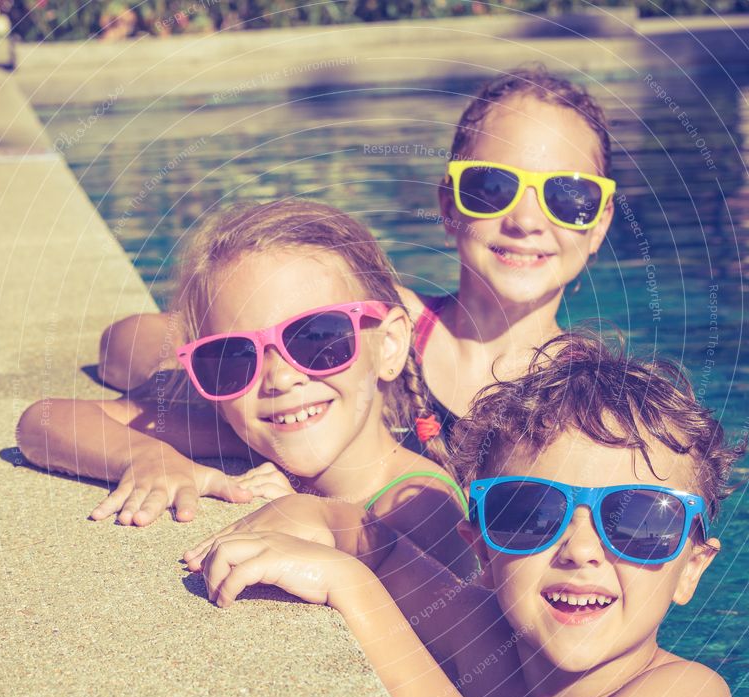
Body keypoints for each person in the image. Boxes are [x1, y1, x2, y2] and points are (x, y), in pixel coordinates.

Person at [192, 331, 741, 697]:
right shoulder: (482, 635)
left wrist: (350, 586)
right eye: (528, 511)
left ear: (691, 568)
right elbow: (379, 548)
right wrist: (308, 512)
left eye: (638, 520)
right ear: (480, 547)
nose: (581, 549)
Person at [97, 66, 616, 446]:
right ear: (448, 206)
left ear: (600, 225)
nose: (526, 221)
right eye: (491, 187)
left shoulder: (597, 403)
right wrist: (183, 369)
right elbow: (121, 346)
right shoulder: (373, 331)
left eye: (570, 197)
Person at [17, 200, 472, 572]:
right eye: (232, 357)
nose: (279, 377)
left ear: (389, 345)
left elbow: (443, 636)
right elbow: (42, 421)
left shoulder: (421, 503)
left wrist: (323, 518)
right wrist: (148, 456)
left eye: (317, 338)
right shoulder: (247, 435)